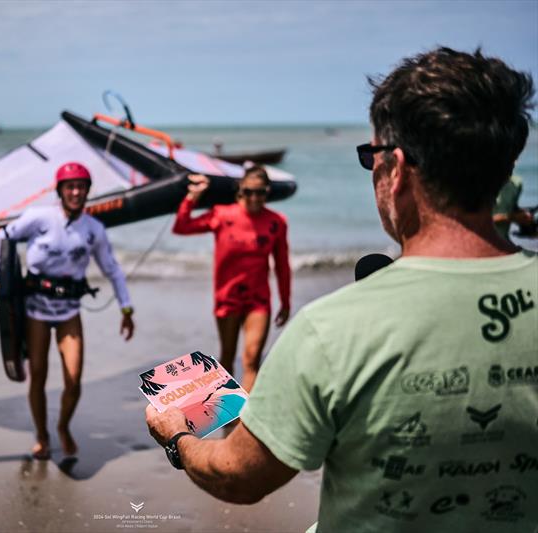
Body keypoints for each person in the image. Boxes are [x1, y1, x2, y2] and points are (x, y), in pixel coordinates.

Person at [146, 47, 536, 533]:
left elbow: (239, 479)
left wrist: (177, 434)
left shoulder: (332, 331)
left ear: (395, 169)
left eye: (369, 156)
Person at [0, 161, 135, 460]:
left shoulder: (93, 230)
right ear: (60, 191)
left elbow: (113, 269)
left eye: (81, 187)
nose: (76, 192)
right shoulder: (40, 218)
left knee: (73, 379)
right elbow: (2, 236)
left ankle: (63, 427)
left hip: (69, 311)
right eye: (70, 187)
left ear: (87, 191)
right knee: (39, 376)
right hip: (37, 310)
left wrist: (126, 308)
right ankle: (42, 436)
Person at [172, 166, 290, 392]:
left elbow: (282, 265)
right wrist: (193, 196)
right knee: (227, 358)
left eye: (260, 192)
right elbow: (181, 226)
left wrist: (285, 301)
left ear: (268, 192)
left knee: (252, 359)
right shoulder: (222, 214)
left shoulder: (276, 222)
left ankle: (246, 422)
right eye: (248, 192)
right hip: (228, 298)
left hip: (258, 300)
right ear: (240, 191)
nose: (254, 198)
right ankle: (227, 419)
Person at [493, 175, 533, 240]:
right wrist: (512, 217)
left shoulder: (516, 182)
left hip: (504, 242)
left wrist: (524, 217)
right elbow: (473, 221)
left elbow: (509, 207)